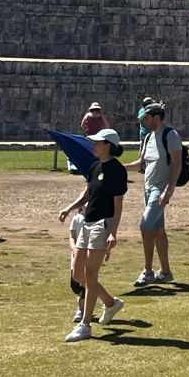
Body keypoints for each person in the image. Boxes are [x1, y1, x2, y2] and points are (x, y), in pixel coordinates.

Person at [58, 128, 127, 342]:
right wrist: (70, 208)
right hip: (87, 222)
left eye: (97, 142)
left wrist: (112, 233)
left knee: (90, 275)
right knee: (78, 275)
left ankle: (85, 324)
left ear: (108, 145)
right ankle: (110, 302)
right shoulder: (94, 166)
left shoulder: (117, 170)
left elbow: (118, 204)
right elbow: (87, 193)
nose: (93, 145)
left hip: (101, 224)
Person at [136, 101, 182, 285]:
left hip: (159, 190)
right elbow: (141, 164)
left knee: (146, 226)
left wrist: (169, 190)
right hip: (148, 189)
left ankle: (148, 271)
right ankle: (165, 272)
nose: (144, 121)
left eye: (146, 117)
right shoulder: (148, 137)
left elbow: (177, 164)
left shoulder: (170, 135)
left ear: (156, 117)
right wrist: (116, 167)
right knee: (159, 231)